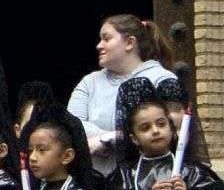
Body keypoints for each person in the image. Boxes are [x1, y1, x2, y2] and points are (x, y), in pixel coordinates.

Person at [68, 14, 179, 175]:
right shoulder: (89, 82)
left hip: (148, 181)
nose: (99, 45)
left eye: (106, 39)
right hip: (97, 181)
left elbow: (172, 130)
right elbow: (71, 125)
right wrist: (109, 136)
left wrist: (106, 140)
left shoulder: (162, 79)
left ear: (129, 43)